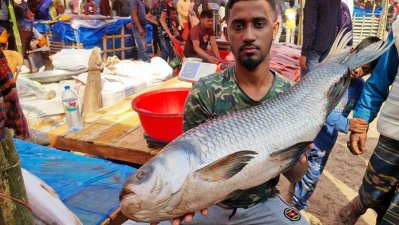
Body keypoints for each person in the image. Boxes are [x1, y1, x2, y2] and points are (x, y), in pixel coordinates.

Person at [143, 0, 310, 224]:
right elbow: (191, 167)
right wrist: (184, 199)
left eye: (259, 24)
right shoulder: (205, 91)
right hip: (211, 205)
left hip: (262, 203)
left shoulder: (291, 95)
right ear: (226, 32)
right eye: (239, 26)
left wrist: (297, 149)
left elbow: (297, 176)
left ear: (275, 29)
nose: (249, 35)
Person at [291, 36, 383, 211]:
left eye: (365, 69)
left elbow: (362, 114)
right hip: (301, 136)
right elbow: (321, 109)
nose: (358, 70)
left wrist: (359, 130)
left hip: (324, 144)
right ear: (352, 52)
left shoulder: (360, 87)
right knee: (290, 167)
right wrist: (347, 125)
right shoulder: (329, 75)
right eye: (359, 62)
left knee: (312, 177)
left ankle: (297, 207)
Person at [338, 21, 399, 225]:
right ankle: (351, 212)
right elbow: (380, 79)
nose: (358, 71)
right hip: (393, 133)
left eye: (365, 68)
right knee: (372, 194)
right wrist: (361, 121)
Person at [299, 0, 341, 76]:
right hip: (328, 43)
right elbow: (338, 21)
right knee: (321, 78)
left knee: (309, 83)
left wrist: (304, 52)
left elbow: (309, 26)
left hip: (315, 46)